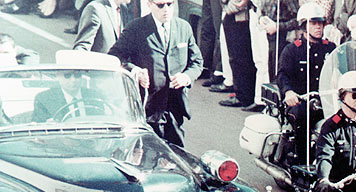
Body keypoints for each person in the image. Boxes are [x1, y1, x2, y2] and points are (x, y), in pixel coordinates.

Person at [108, 0, 202, 147]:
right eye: (160, 5)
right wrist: (135, 71)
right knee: (147, 157)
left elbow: (197, 62)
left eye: (169, 4)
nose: (166, 9)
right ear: (149, 4)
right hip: (147, 109)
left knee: (177, 158)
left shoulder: (184, 28)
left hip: (174, 108)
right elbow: (115, 57)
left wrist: (186, 77)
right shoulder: (136, 28)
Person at [277, 3, 335, 161]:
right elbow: (282, 75)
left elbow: (341, 72)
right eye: (313, 23)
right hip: (300, 101)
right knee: (303, 116)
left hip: (326, 102)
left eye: (320, 23)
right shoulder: (293, 50)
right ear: (304, 26)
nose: (318, 27)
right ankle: (304, 162)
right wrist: (288, 92)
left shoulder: (330, 48)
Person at [217, 0, 256, 109]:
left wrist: (229, 6)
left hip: (240, 17)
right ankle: (241, 93)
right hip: (236, 15)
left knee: (239, 58)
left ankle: (243, 96)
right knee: (237, 58)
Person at [32, 70, 101, 122]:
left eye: (77, 75)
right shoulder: (44, 99)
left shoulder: (94, 96)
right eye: (67, 75)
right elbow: (37, 130)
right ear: (57, 76)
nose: (73, 80)